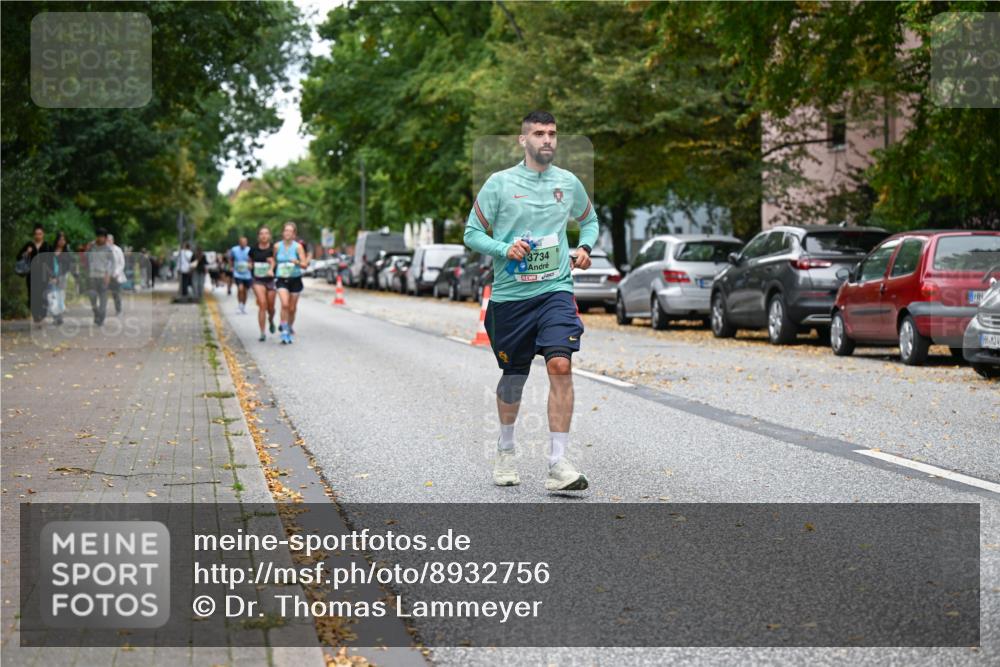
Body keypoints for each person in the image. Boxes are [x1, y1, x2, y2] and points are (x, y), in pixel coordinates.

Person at [463, 111, 599, 492]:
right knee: (514, 377)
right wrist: (505, 248)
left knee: (559, 363)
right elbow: (472, 233)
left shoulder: (568, 183)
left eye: (553, 133)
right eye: (539, 133)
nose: (548, 140)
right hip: (511, 298)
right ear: (523, 140)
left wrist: (585, 246)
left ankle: (558, 464)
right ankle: (506, 448)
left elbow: (590, 221)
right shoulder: (499, 184)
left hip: (555, 290)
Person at [274, 221, 307, 344]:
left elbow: (304, 265)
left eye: (290, 231)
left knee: (292, 308)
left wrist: (297, 262)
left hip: (295, 279)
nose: (287, 233)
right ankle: (284, 331)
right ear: (283, 232)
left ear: (294, 234)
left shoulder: (298, 247)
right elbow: (274, 260)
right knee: (285, 304)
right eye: (286, 230)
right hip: (282, 278)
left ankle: (289, 327)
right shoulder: (277, 246)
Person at [17, 224, 52, 323]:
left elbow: (51, 261)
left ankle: (42, 313)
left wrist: (52, 275)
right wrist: (27, 253)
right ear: (34, 235)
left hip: (44, 275)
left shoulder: (47, 246)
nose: (38, 236)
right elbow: (18, 257)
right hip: (31, 275)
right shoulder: (29, 245)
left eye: (40, 234)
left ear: (43, 234)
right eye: (36, 234)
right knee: (32, 296)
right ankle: (36, 315)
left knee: (43, 296)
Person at [250, 226, 277, 342]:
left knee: (271, 307)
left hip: (270, 280)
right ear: (258, 236)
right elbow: (250, 261)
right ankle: (262, 332)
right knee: (262, 304)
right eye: (261, 234)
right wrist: (250, 266)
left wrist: (271, 266)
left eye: (266, 233)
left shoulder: (273, 248)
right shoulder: (253, 249)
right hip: (258, 279)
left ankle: (271, 320)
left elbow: (276, 261)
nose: (264, 236)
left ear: (270, 236)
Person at [43, 231, 73, 326]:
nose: (62, 241)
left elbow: (68, 266)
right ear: (57, 240)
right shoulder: (51, 250)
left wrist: (59, 277)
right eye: (60, 239)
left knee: (59, 298)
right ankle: (57, 317)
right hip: (51, 277)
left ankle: (58, 318)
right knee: (51, 298)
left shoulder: (66, 252)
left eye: (64, 240)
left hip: (62, 277)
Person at [87, 229, 115, 326]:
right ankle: (96, 313)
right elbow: (85, 259)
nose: (100, 238)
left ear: (105, 238)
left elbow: (112, 263)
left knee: (103, 301)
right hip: (92, 277)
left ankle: (101, 318)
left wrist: (108, 274)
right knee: (92, 298)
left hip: (103, 277)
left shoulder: (108, 249)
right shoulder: (92, 247)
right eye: (98, 236)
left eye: (102, 236)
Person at [229, 236, 253, 314]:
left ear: (247, 242)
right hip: (237, 273)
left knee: (245, 291)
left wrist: (251, 264)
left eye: (245, 242)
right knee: (240, 289)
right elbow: (231, 258)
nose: (243, 243)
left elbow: (252, 259)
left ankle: (243, 306)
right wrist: (231, 267)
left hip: (247, 274)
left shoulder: (249, 250)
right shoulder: (234, 249)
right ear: (239, 243)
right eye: (241, 242)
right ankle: (239, 305)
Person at [107, 233, 126, 315]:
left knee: (116, 294)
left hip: (116, 275)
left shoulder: (117, 250)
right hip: (106, 275)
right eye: (107, 240)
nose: (108, 242)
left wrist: (117, 272)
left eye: (109, 240)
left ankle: (119, 310)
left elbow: (122, 263)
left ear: (112, 241)